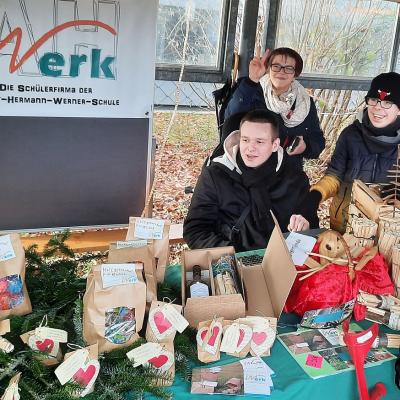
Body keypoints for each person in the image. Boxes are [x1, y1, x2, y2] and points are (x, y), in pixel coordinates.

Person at [183, 109, 317, 252]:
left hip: (281, 260)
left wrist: (305, 227)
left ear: (275, 145)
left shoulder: (294, 179)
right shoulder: (215, 176)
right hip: (230, 261)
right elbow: (195, 230)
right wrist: (231, 255)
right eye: (245, 140)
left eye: (259, 141)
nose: (250, 148)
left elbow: (312, 226)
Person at [302, 72, 400, 233]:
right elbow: (335, 175)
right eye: (374, 100)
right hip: (344, 224)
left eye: (387, 102)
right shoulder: (350, 134)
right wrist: (315, 196)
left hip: (386, 231)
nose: (378, 107)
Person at [223, 47, 325, 172]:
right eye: (276, 66)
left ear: (295, 73)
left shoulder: (304, 103)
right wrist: (252, 80)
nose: (281, 72)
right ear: (268, 68)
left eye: (288, 68)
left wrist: (305, 147)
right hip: (252, 171)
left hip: (288, 174)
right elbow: (231, 117)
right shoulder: (252, 90)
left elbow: (318, 142)